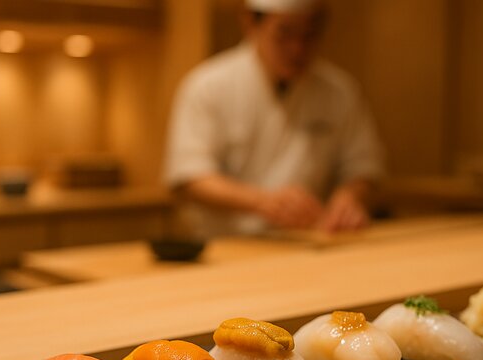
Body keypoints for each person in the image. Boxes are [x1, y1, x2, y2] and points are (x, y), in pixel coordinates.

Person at [163, 0, 384, 236]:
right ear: (250, 22)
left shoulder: (339, 92)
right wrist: (262, 201)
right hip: (224, 245)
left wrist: (348, 198)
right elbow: (189, 178)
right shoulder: (207, 86)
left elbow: (364, 167)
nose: (297, 48)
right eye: (284, 34)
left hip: (309, 241)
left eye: (309, 36)